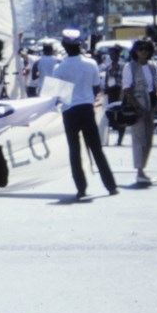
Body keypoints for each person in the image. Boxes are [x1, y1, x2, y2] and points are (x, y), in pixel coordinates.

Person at [51, 30, 118, 198]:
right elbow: (96, 88)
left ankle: (81, 188)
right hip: (86, 109)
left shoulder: (59, 68)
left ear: (64, 46)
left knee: (74, 151)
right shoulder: (91, 64)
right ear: (80, 45)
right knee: (96, 149)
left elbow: (57, 95)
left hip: (69, 111)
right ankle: (111, 186)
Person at [122, 40, 157, 185]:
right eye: (140, 49)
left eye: (146, 49)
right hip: (137, 105)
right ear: (135, 51)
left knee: (149, 139)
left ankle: (143, 169)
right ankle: (139, 171)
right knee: (139, 138)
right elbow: (127, 89)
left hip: (151, 104)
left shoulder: (153, 66)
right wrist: (137, 107)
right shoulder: (129, 67)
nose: (143, 52)